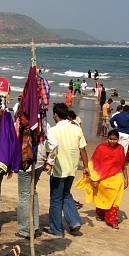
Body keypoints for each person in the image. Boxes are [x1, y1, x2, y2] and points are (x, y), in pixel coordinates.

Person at [44, 102, 90, 238]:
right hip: (72, 169)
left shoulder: (52, 131)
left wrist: (46, 164)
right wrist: (86, 166)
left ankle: (57, 229)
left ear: (56, 115)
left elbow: (49, 151)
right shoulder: (76, 129)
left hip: (58, 170)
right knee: (66, 194)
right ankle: (74, 221)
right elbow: (83, 149)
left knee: (57, 198)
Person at [76, 129, 128, 229]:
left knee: (115, 199)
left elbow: (123, 165)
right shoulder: (101, 148)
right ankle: (101, 213)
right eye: (111, 139)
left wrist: (126, 178)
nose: (113, 141)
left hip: (116, 178)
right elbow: (94, 164)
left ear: (118, 139)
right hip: (103, 178)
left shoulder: (120, 149)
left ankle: (113, 220)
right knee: (102, 197)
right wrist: (94, 179)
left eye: (115, 139)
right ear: (107, 138)